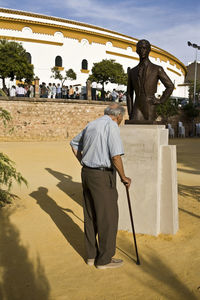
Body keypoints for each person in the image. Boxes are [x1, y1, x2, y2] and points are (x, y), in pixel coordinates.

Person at [70, 103, 131, 269]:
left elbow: (74, 143)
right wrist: (124, 177)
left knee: (90, 216)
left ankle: (91, 256)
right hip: (103, 176)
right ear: (118, 116)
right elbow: (116, 156)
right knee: (108, 218)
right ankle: (104, 260)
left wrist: (83, 161)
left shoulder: (93, 123)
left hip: (87, 173)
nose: (121, 121)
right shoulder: (111, 126)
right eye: (122, 118)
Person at [127, 39, 174, 121]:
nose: (142, 50)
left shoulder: (157, 69)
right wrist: (130, 112)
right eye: (140, 48)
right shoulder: (132, 71)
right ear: (137, 51)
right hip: (137, 106)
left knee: (150, 130)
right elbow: (129, 93)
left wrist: (161, 100)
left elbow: (170, 86)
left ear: (149, 50)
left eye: (144, 48)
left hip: (150, 105)